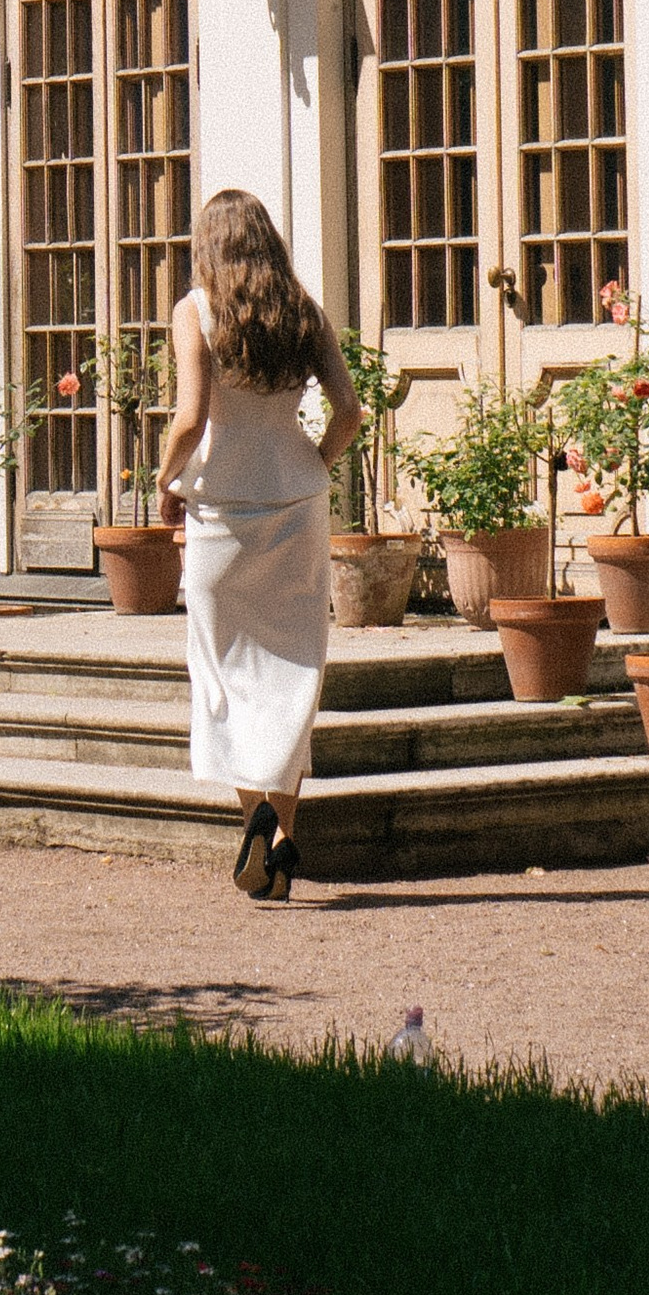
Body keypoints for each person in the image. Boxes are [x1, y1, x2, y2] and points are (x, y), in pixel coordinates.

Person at [153, 190, 362, 900]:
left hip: (221, 513)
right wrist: (315, 465)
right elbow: (349, 411)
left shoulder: (196, 310)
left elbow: (189, 419)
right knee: (290, 677)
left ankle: (259, 826)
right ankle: (278, 847)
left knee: (225, 679)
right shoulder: (304, 310)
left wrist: (163, 480)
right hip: (296, 504)